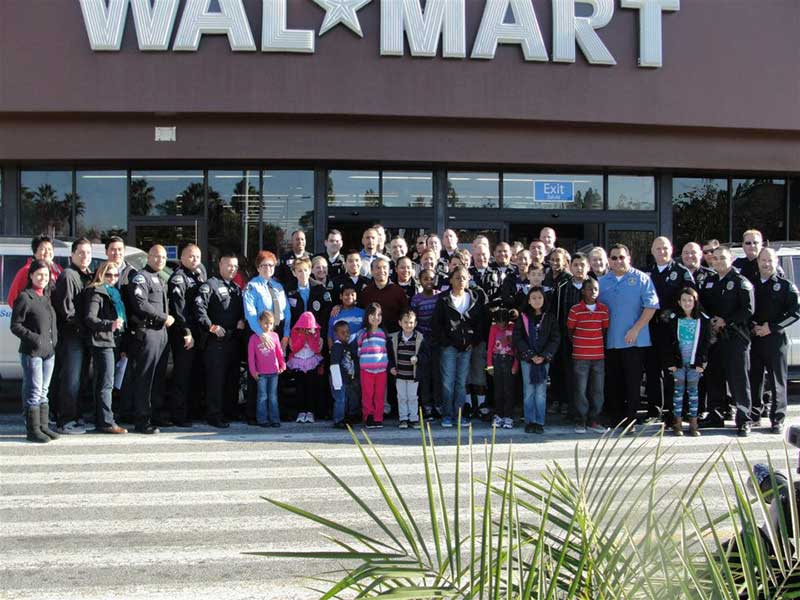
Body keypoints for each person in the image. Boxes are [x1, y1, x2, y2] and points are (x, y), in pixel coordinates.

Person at [598, 243, 658, 431]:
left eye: (621, 257)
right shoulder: (602, 281)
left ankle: (630, 419)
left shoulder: (641, 278)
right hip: (610, 341)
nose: (618, 261)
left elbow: (651, 307)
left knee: (632, 382)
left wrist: (636, 329)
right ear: (609, 260)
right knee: (613, 380)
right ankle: (615, 417)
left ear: (629, 258)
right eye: (614, 257)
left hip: (634, 340)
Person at [698, 246, 754, 436]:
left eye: (723, 258)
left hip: (735, 337)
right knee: (714, 377)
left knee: (738, 380)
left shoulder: (740, 282)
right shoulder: (710, 281)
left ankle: (744, 419)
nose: (719, 261)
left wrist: (726, 321)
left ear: (731, 259)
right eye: (716, 259)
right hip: (715, 338)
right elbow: (702, 304)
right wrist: (711, 320)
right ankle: (716, 414)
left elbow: (748, 310)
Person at [749, 247, 799, 434]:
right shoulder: (751, 283)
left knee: (777, 380)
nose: (766, 263)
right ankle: (754, 414)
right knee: (755, 378)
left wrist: (772, 327)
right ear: (758, 261)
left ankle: (777, 419)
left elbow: (795, 313)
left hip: (775, 339)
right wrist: (753, 326)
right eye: (763, 260)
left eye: (770, 260)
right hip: (755, 338)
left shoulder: (785, 286)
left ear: (775, 262)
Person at [125, 245, 175, 434]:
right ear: (149, 257)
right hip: (148, 332)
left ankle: (156, 414)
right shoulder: (141, 277)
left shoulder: (160, 278)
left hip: (161, 333)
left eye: (163, 257)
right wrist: (163, 317)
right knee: (145, 377)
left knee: (158, 377)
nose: (160, 260)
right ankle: (142, 419)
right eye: (157, 257)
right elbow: (140, 304)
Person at [646, 237, 695, 421]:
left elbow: (692, 300)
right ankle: (654, 410)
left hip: (672, 331)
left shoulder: (681, 272)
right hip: (650, 329)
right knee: (652, 371)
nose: (662, 252)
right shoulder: (647, 272)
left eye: (665, 248)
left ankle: (671, 412)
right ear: (652, 251)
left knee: (671, 372)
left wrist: (674, 313)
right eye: (658, 248)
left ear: (672, 249)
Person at [11, 260, 60, 443]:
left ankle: (43, 426)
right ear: (31, 275)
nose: (43, 278)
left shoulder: (45, 296)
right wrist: (35, 338)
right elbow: (15, 325)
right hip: (32, 352)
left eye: (46, 275)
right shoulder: (25, 297)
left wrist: (53, 340)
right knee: (34, 391)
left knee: (43, 391)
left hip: (48, 351)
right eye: (39, 274)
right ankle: (33, 430)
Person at [195, 253, 245, 428]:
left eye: (235, 266)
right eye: (229, 265)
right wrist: (211, 326)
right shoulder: (210, 285)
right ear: (220, 265)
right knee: (216, 381)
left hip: (233, 341)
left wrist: (242, 321)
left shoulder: (237, 289)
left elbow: (241, 311)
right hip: (216, 344)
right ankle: (213, 415)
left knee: (232, 379)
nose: (232, 269)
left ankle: (229, 411)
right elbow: (199, 309)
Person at [430, 267, 485, 428]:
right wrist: (447, 342)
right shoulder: (443, 299)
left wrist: (472, 342)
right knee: (448, 382)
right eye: (457, 278)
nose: (461, 281)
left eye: (464, 278)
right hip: (449, 347)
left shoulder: (473, 298)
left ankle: (459, 415)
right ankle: (447, 415)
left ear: (468, 279)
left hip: (466, 347)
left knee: (461, 382)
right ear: (451, 280)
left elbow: (479, 323)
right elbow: (437, 324)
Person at [53, 237, 93, 434]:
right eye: (81, 253)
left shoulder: (87, 275)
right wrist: (84, 326)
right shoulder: (68, 275)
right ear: (72, 255)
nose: (85, 256)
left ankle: (77, 417)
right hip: (72, 336)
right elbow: (67, 310)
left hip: (84, 336)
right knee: (71, 379)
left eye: (88, 253)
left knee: (81, 379)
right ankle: (65, 421)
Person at [83, 261, 127, 434]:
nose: (113, 278)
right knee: (106, 383)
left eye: (116, 275)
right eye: (109, 275)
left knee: (103, 382)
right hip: (102, 341)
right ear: (101, 274)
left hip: (111, 340)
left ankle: (101, 418)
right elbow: (90, 318)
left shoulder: (114, 292)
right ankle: (106, 422)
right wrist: (111, 324)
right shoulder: (97, 291)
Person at [662, 287, 710, 437]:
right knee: (678, 393)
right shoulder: (674, 319)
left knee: (693, 393)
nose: (687, 303)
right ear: (679, 302)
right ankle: (678, 423)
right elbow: (668, 342)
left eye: (690, 300)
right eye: (684, 300)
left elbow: (705, 343)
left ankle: (694, 423)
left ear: (695, 302)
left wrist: (702, 363)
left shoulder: (703, 319)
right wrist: (671, 362)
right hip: (678, 363)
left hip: (695, 363)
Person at [167, 243, 206, 427]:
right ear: (181, 258)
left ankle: (194, 410)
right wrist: (187, 332)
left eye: (197, 256)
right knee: (182, 375)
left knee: (195, 374)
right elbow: (178, 309)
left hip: (198, 334)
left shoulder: (199, 275)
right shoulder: (178, 278)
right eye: (190, 256)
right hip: (184, 334)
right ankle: (179, 415)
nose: (195, 260)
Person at [514, 287, 560, 434]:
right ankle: (530, 421)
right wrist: (530, 355)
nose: (536, 300)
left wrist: (545, 355)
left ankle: (539, 421)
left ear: (544, 299)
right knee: (528, 391)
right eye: (533, 298)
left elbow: (555, 338)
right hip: (527, 359)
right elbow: (518, 338)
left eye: (539, 297)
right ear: (528, 300)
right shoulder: (523, 318)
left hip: (543, 360)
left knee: (541, 391)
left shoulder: (550, 317)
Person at [567, 278, 609, 434]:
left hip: (598, 356)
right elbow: (570, 331)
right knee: (580, 389)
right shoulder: (575, 310)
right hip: (580, 356)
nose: (593, 292)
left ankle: (594, 419)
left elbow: (604, 331)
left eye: (596, 289)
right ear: (583, 291)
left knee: (597, 390)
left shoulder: (603, 310)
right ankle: (581, 420)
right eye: (590, 289)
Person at [243, 250, 291, 353]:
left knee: (279, 365)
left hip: (280, 331)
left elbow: (287, 311)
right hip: (261, 331)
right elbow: (250, 313)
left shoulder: (278, 286)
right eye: (263, 265)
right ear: (258, 268)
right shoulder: (252, 286)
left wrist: (286, 335)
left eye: (271, 265)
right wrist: (261, 334)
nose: (268, 268)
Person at [410, 269, 442, 421]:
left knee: (437, 374)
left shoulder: (439, 296)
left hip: (437, 340)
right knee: (425, 375)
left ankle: (438, 405)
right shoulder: (416, 299)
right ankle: (427, 407)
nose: (428, 282)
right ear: (420, 281)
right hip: (422, 342)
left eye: (431, 279)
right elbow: (413, 320)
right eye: (425, 279)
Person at [389, 310, 428, 429]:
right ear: (400, 323)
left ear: (415, 323)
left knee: (412, 397)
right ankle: (403, 419)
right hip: (400, 374)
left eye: (411, 322)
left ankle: (414, 418)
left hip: (413, 375)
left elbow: (426, 355)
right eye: (405, 322)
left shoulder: (419, 338)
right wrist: (391, 367)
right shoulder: (395, 338)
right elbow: (390, 355)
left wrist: (418, 358)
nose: (408, 325)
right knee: (401, 397)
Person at [248, 311, 286, 427]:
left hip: (274, 372)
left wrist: (282, 365)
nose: (268, 326)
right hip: (261, 374)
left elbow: (279, 352)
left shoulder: (275, 336)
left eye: (270, 323)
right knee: (262, 397)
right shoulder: (254, 338)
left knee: (273, 397)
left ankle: (275, 419)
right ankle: (262, 419)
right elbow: (251, 357)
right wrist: (253, 371)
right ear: (259, 322)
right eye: (265, 323)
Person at [6, 234, 63, 309]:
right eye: (43, 249)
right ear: (34, 252)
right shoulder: (26, 271)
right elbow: (13, 299)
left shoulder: (58, 270)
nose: (47, 252)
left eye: (50, 249)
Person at [358, 303, 391, 429]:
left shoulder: (383, 333)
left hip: (381, 370)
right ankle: (368, 417)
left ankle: (378, 418)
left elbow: (385, 351)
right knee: (367, 394)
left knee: (379, 394)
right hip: (366, 370)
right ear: (367, 316)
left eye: (379, 315)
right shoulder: (362, 333)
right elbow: (358, 349)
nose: (376, 317)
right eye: (372, 315)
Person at [288, 311, 324, 424]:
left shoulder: (317, 335)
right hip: (298, 363)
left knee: (311, 388)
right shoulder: (293, 334)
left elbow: (316, 349)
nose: (306, 329)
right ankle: (301, 412)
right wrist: (302, 337)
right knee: (300, 388)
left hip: (311, 364)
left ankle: (310, 412)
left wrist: (310, 337)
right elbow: (294, 348)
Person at [486, 308, 519, 429]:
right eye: (499, 321)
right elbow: (490, 347)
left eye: (504, 322)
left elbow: (516, 348)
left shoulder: (513, 327)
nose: (501, 324)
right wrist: (489, 364)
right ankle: (498, 415)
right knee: (498, 390)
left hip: (509, 360)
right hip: (496, 359)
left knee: (509, 390)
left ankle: (508, 416)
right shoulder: (493, 328)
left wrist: (516, 364)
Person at [359, 258, 409, 334]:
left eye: (384, 268)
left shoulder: (398, 291)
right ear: (371, 271)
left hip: (393, 334)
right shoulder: (366, 291)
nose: (381, 271)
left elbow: (405, 312)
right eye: (378, 268)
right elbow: (360, 311)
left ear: (389, 271)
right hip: (372, 335)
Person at [286, 257, 332, 334]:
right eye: (300, 271)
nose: (303, 274)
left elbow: (326, 315)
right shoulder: (289, 290)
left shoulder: (320, 289)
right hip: (296, 333)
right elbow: (288, 315)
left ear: (310, 271)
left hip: (315, 332)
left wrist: (321, 336)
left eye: (305, 270)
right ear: (294, 273)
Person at [329, 320, 360, 429]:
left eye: (347, 332)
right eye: (342, 332)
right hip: (338, 379)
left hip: (347, 378)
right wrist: (337, 382)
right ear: (336, 334)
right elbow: (334, 364)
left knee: (347, 398)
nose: (346, 334)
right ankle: (338, 419)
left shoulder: (348, 345)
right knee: (340, 399)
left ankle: (347, 417)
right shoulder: (337, 346)